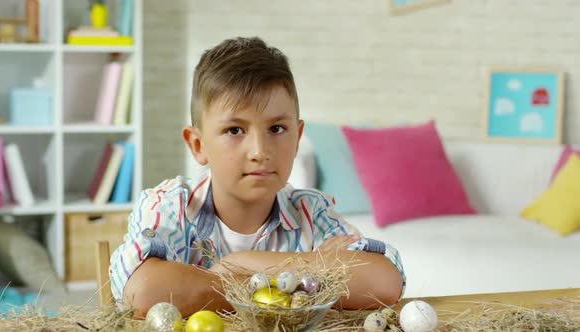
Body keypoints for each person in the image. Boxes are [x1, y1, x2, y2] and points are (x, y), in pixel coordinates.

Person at [109, 36, 405, 318]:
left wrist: (239, 263)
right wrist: (296, 275)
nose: (259, 151)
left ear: (297, 137)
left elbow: (384, 281)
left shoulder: (310, 213)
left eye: (276, 129)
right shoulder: (170, 206)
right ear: (198, 145)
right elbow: (142, 291)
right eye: (235, 130)